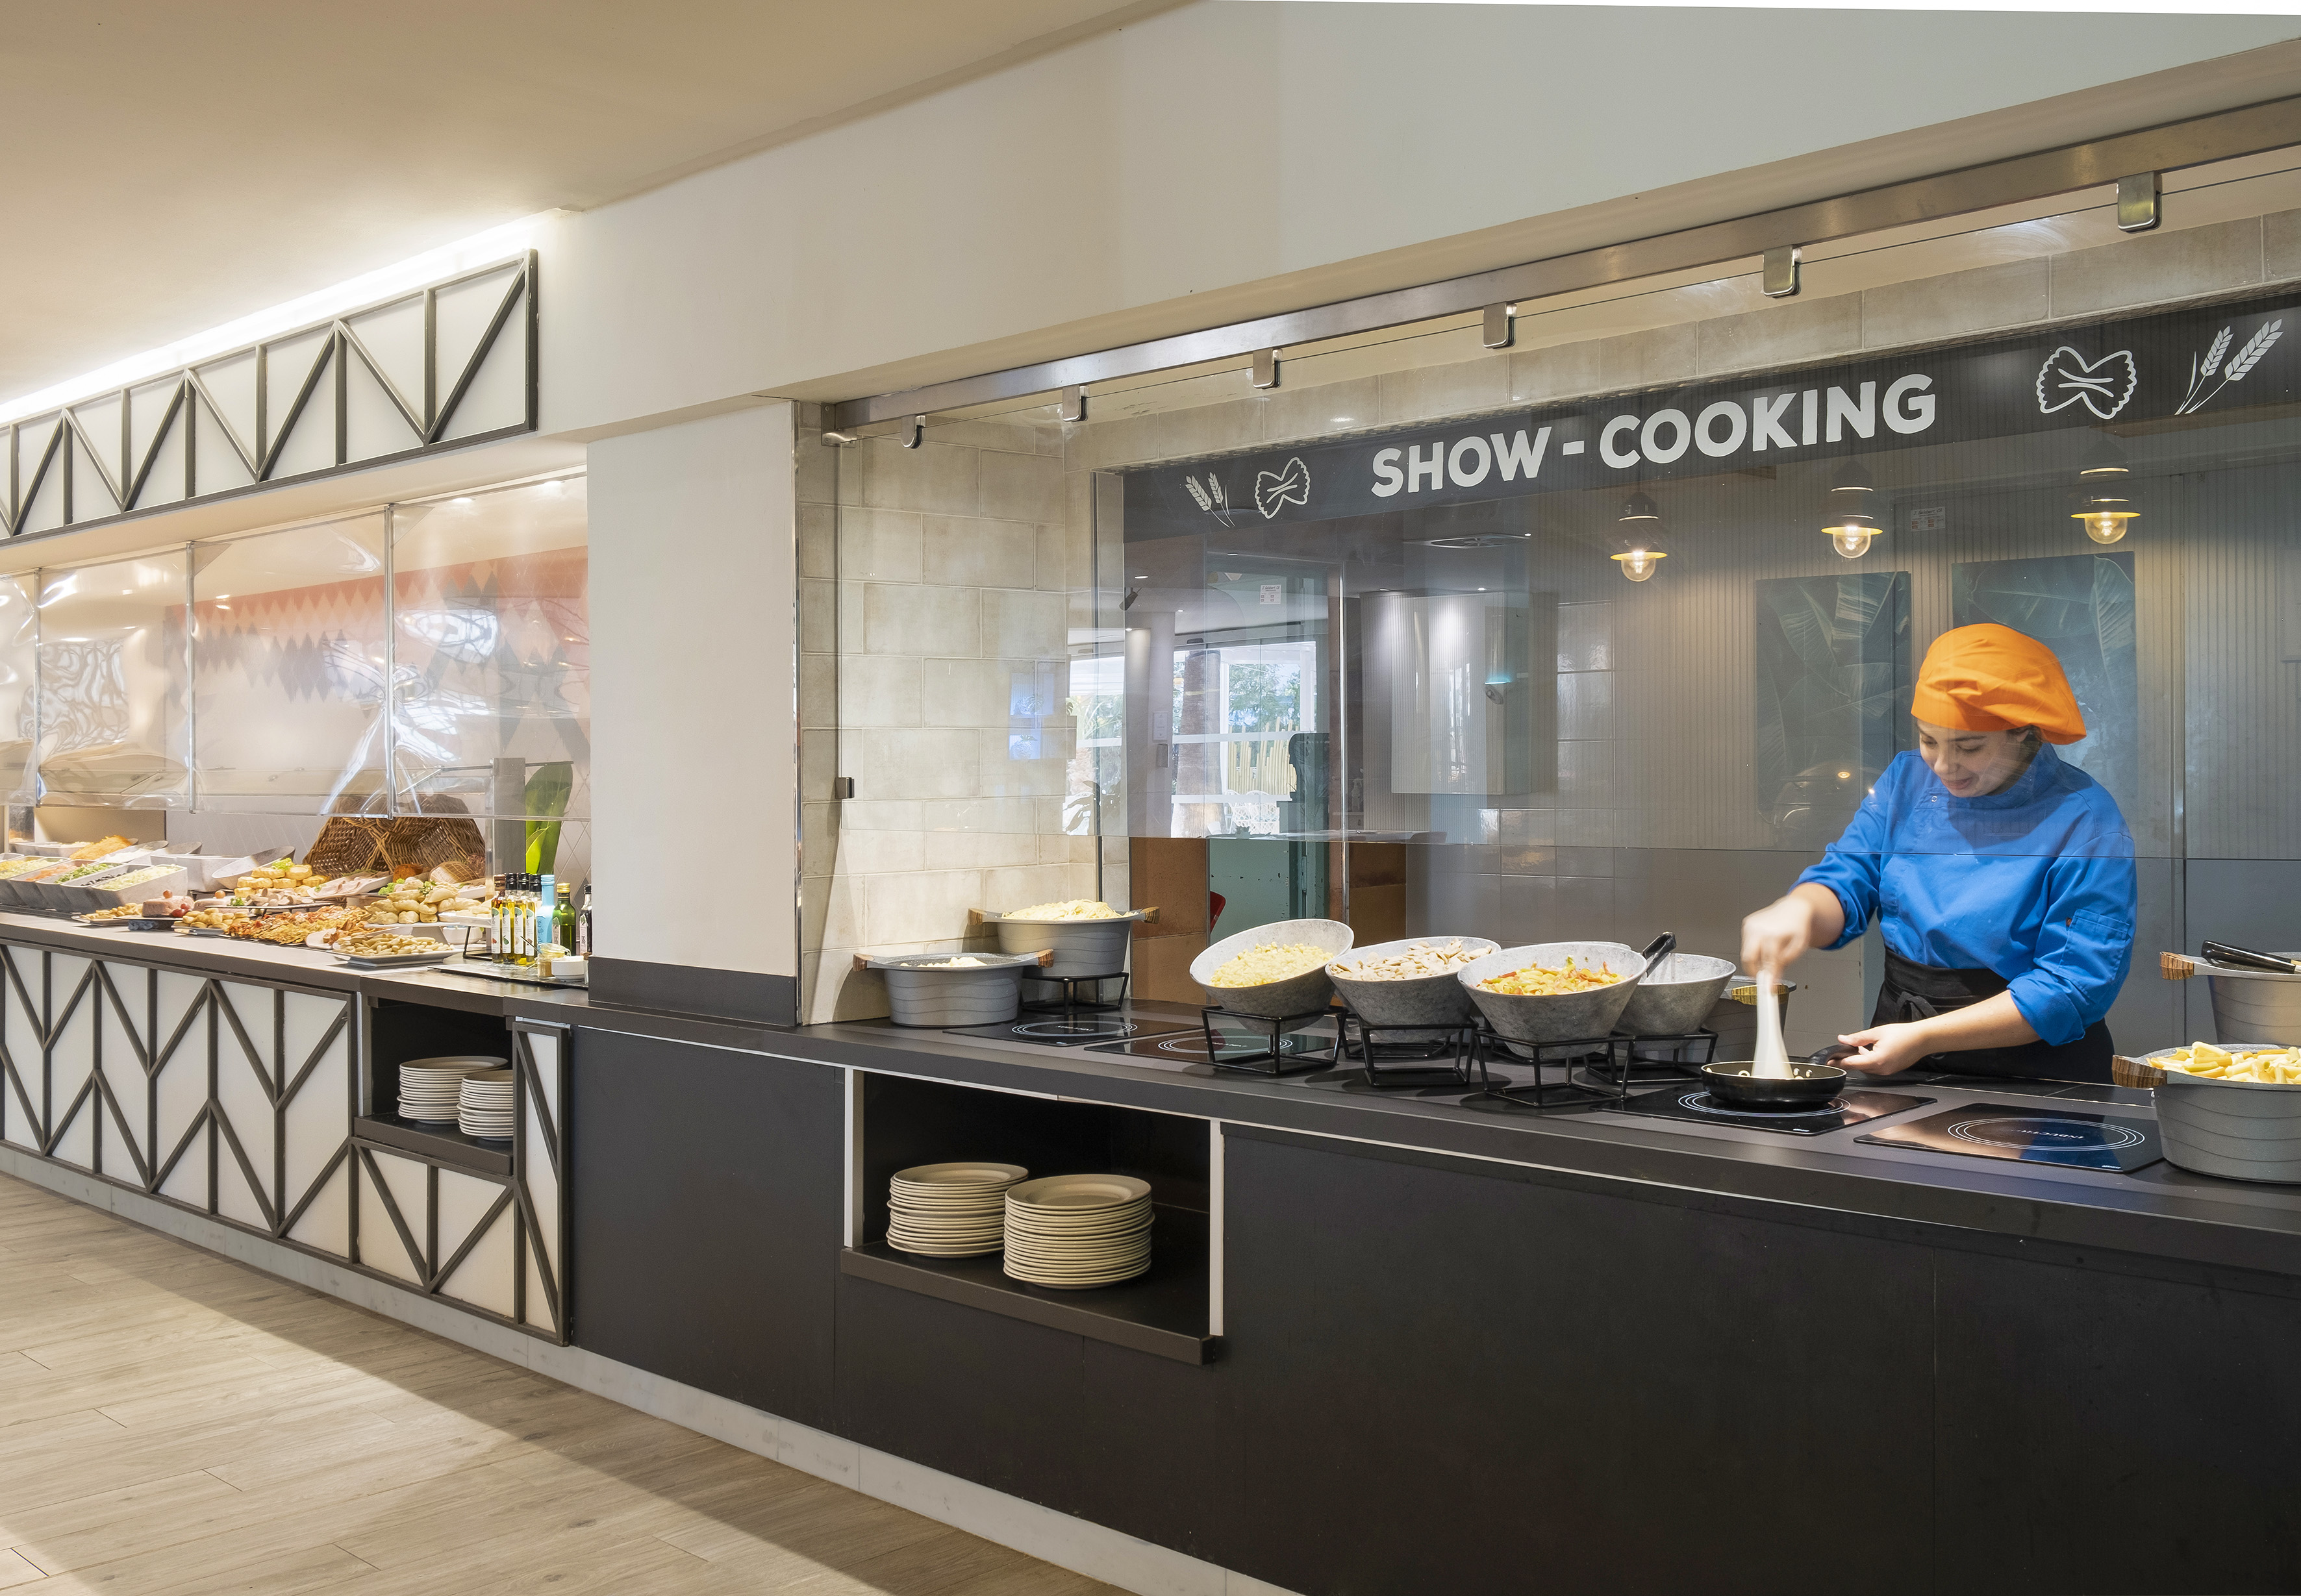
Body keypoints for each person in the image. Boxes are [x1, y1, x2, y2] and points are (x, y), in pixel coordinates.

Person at [1740, 623, 2135, 1083]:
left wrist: (1926, 1036)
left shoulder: (2086, 821)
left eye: (1968, 747)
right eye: (1929, 741)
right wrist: (1800, 909)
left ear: (2025, 734)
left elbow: (2072, 987)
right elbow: (1850, 874)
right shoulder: (1907, 780)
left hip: (2033, 1065)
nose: (1944, 766)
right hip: (1899, 1043)